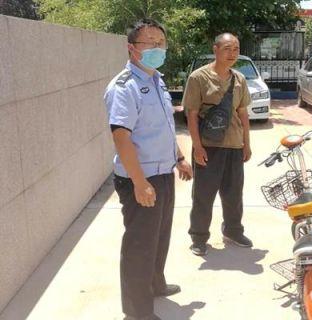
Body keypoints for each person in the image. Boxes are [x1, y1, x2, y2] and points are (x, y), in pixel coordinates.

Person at [104, 18, 193, 320]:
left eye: (161, 43)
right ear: (132, 48)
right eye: (150, 42)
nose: (158, 47)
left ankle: (155, 284)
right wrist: (140, 183)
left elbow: (164, 128)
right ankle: (137, 311)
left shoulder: (157, 80)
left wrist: (179, 157)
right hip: (139, 178)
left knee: (159, 237)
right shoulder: (124, 87)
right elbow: (121, 136)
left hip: (162, 173)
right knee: (139, 245)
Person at [182, 33, 253, 256]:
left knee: (234, 194)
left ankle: (233, 231)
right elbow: (191, 115)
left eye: (236, 49)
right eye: (227, 48)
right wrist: (197, 146)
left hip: (234, 145)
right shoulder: (198, 77)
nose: (232, 53)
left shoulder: (239, 79)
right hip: (208, 146)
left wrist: (246, 143)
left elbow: (243, 113)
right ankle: (199, 237)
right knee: (203, 194)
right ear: (215, 49)